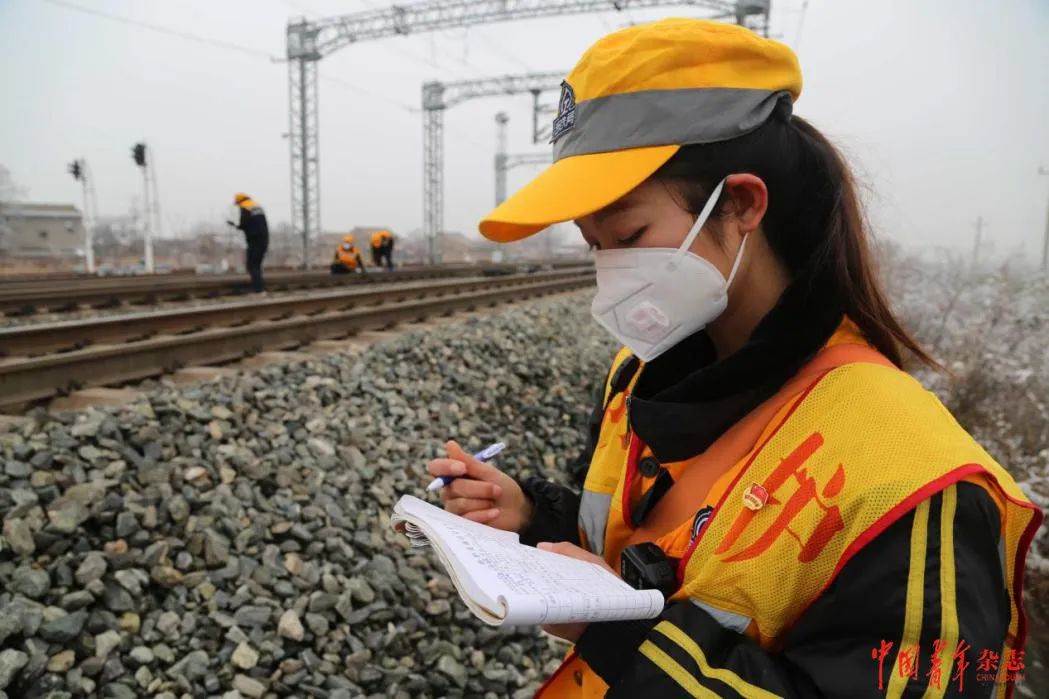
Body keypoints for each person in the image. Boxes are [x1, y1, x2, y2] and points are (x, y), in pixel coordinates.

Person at [426, 18, 1041, 698]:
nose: (610, 270)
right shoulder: (637, 379)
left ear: (742, 204)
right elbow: (660, 547)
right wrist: (530, 513)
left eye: (629, 233)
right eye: (593, 244)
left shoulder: (915, 484)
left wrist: (614, 630)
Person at [227, 192, 268, 293]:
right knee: (257, 264)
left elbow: (244, 224)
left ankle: (258, 288)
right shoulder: (257, 206)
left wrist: (234, 225)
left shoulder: (245, 208)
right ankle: (259, 286)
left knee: (251, 264)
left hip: (254, 240)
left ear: (239, 201)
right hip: (264, 239)